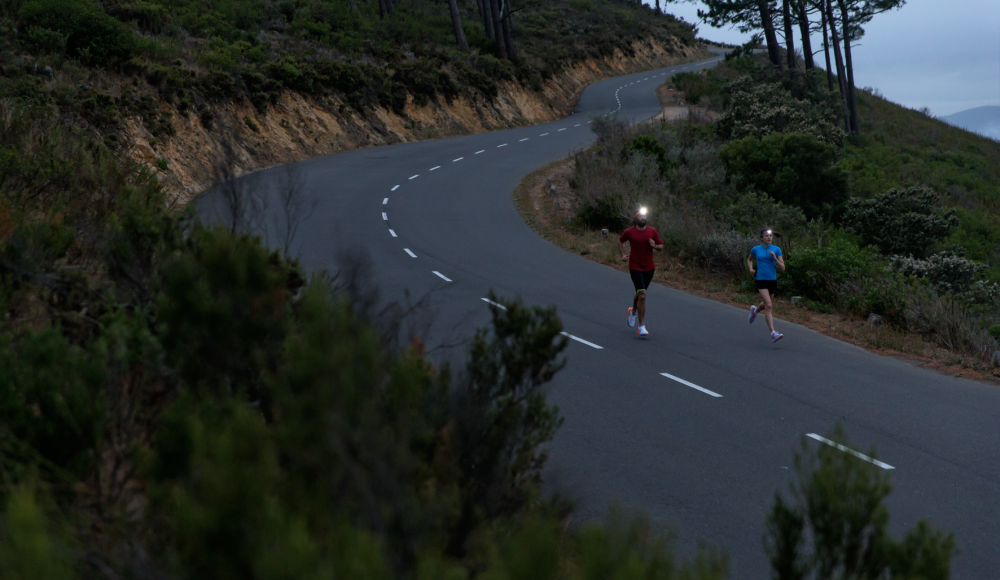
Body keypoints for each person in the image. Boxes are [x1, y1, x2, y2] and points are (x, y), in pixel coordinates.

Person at [619, 207, 663, 336]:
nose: (643, 218)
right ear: (635, 218)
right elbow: (620, 241)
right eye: (641, 216)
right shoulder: (629, 232)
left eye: (645, 216)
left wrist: (654, 246)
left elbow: (661, 246)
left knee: (640, 294)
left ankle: (633, 311)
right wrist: (623, 255)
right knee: (642, 296)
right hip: (635, 267)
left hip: (649, 268)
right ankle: (641, 326)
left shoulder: (652, 231)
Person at [747, 228, 785, 342]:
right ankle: (773, 333)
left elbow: (783, 268)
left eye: (770, 236)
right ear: (762, 237)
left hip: (772, 280)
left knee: (766, 304)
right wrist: (751, 269)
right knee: (768, 306)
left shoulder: (776, 250)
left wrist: (774, 258)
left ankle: (755, 311)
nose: (769, 237)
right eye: (766, 235)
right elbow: (749, 260)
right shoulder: (756, 249)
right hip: (761, 279)